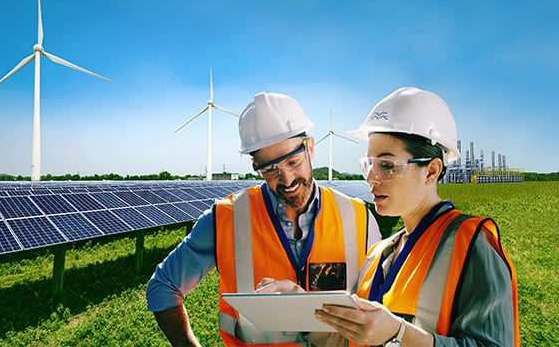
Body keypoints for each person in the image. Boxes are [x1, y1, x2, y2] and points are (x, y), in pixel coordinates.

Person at [146, 91, 382, 346]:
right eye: (270, 169)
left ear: (310, 147)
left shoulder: (360, 218)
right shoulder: (225, 219)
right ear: (254, 165)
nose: (287, 180)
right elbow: (163, 286)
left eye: (293, 161)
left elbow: (382, 315)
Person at [311, 87, 519, 346]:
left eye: (387, 166)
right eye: (369, 165)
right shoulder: (378, 254)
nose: (370, 179)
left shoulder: (472, 244)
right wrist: (303, 312)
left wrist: (399, 334)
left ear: (431, 171)